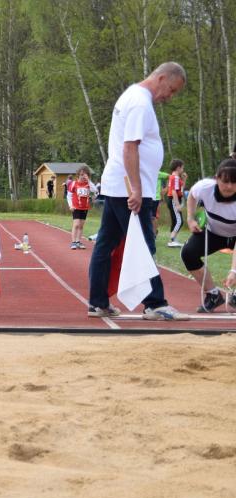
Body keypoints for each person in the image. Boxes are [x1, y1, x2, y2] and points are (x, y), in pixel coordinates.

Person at [87, 62, 188, 320]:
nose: (169, 97)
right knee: (144, 244)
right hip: (128, 188)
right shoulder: (140, 103)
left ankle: (98, 302)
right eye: (171, 90)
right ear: (162, 78)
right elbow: (130, 147)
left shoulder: (133, 96)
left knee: (106, 244)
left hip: (119, 185)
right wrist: (137, 189)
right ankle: (155, 304)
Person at [180, 158, 236, 312]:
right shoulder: (205, 187)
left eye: (234, 182)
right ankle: (213, 295)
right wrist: (190, 218)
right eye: (225, 181)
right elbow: (192, 195)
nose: (229, 186)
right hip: (213, 232)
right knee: (188, 253)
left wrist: (234, 271)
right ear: (217, 178)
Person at [67, 166, 97, 249]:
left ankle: (78, 242)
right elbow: (69, 195)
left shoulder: (88, 184)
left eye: (85, 175)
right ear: (78, 175)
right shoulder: (74, 183)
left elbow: (95, 190)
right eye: (81, 175)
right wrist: (70, 205)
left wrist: (88, 180)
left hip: (85, 207)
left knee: (81, 226)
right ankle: (73, 242)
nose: (83, 176)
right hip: (76, 207)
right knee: (76, 224)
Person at [167, 159, 185, 247]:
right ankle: (172, 239)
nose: (183, 170)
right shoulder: (175, 178)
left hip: (174, 199)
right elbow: (174, 191)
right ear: (178, 168)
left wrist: (184, 179)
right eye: (182, 168)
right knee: (179, 221)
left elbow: (180, 190)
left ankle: (173, 239)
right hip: (174, 200)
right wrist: (177, 205)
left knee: (176, 220)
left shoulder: (173, 177)